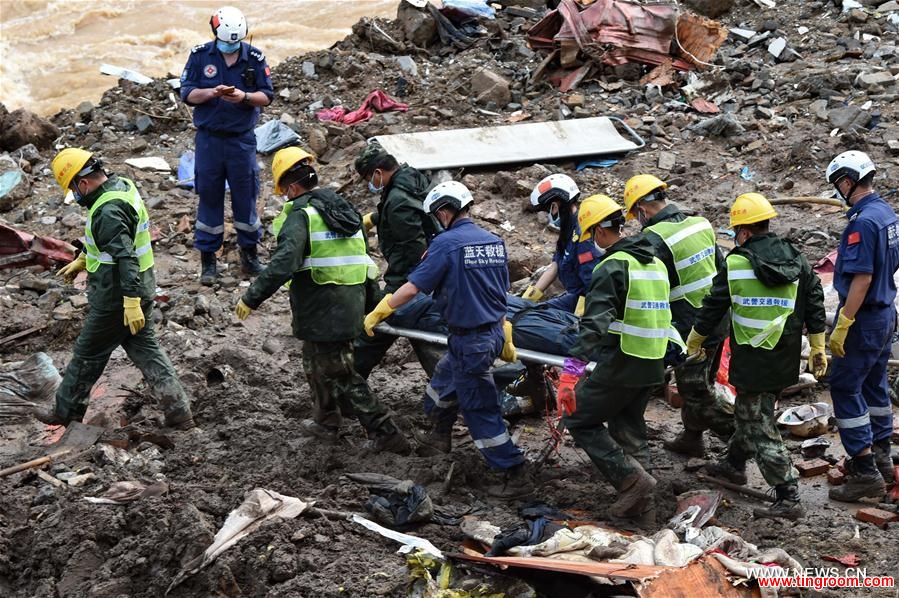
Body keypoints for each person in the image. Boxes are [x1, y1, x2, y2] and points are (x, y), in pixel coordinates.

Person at [234, 147, 409, 454]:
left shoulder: (303, 216)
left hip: (324, 305)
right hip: (349, 300)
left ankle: (385, 431)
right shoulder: (343, 209)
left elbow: (283, 264)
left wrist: (252, 297)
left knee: (338, 371)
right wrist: (373, 302)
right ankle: (326, 420)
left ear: (290, 187)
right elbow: (362, 260)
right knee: (314, 361)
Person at [362, 181, 531, 498]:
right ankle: (437, 439)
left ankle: (514, 472)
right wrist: (504, 333)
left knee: (479, 410)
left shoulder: (446, 244)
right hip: (489, 333)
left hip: (471, 340)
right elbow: (499, 293)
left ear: (443, 212)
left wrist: (381, 309)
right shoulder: (494, 242)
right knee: (440, 386)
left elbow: (413, 288)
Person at [687, 193, 827, 520]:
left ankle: (788, 494)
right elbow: (815, 298)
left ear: (744, 232)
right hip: (785, 357)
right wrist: (817, 345)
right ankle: (734, 463)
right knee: (753, 412)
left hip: (752, 359)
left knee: (758, 423)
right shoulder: (797, 258)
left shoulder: (736, 263)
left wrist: (695, 340)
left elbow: (713, 307)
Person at [36, 148, 195, 430]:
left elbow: (125, 257)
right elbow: (121, 240)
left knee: (87, 354)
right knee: (148, 352)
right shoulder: (121, 185)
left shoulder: (107, 210)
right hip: (142, 289)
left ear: (82, 183)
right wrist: (85, 258)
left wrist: (130, 302)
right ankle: (180, 413)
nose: (77, 198)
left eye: (75, 192)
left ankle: (65, 412)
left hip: (117, 298)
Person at [556, 195, 681, 523]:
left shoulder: (611, 265)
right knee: (629, 429)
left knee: (578, 418)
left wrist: (570, 375)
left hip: (623, 362)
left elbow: (595, 323)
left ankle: (632, 480)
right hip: (652, 361)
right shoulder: (653, 260)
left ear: (598, 231)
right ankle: (645, 515)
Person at [623, 174, 733, 457]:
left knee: (696, 391)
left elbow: (650, 288)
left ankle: (747, 439)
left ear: (642, 210)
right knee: (702, 382)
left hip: (690, 327)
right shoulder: (701, 223)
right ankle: (692, 438)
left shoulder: (653, 240)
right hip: (718, 319)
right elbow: (722, 271)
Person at [180, 6, 274, 285]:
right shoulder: (200, 56)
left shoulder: (255, 58)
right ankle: (208, 261)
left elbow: (267, 95)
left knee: (246, 197)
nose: (231, 45)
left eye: (236, 41)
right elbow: (187, 93)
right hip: (209, 140)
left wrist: (244, 97)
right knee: (209, 197)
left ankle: (250, 254)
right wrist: (212, 93)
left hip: (241, 140)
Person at [825, 151, 899, 500]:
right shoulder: (886, 214)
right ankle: (882, 455)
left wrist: (844, 322)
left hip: (865, 316)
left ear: (846, 181)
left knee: (843, 385)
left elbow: (862, 277)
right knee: (873, 382)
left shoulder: (862, 223)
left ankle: (865, 470)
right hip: (886, 313)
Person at [351, 143, 446, 379]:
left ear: (377, 173)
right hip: (436, 271)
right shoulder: (413, 178)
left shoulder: (397, 202)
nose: (369, 184)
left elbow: (413, 253)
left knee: (374, 332)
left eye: (367, 178)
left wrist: (398, 294)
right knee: (419, 334)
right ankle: (447, 385)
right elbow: (420, 210)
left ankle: (346, 387)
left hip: (412, 278)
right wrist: (377, 217)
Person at [522, 174, 604, 316]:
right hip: (575, 297)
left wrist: (580, 319)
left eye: (547, 210)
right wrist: (527, 299)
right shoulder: (568, 231)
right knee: (529, 312)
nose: (548, 215)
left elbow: (594, 285)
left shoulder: (583, 234)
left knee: (535, 319)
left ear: (554, 206)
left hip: (589, 302)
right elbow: (554, 266)